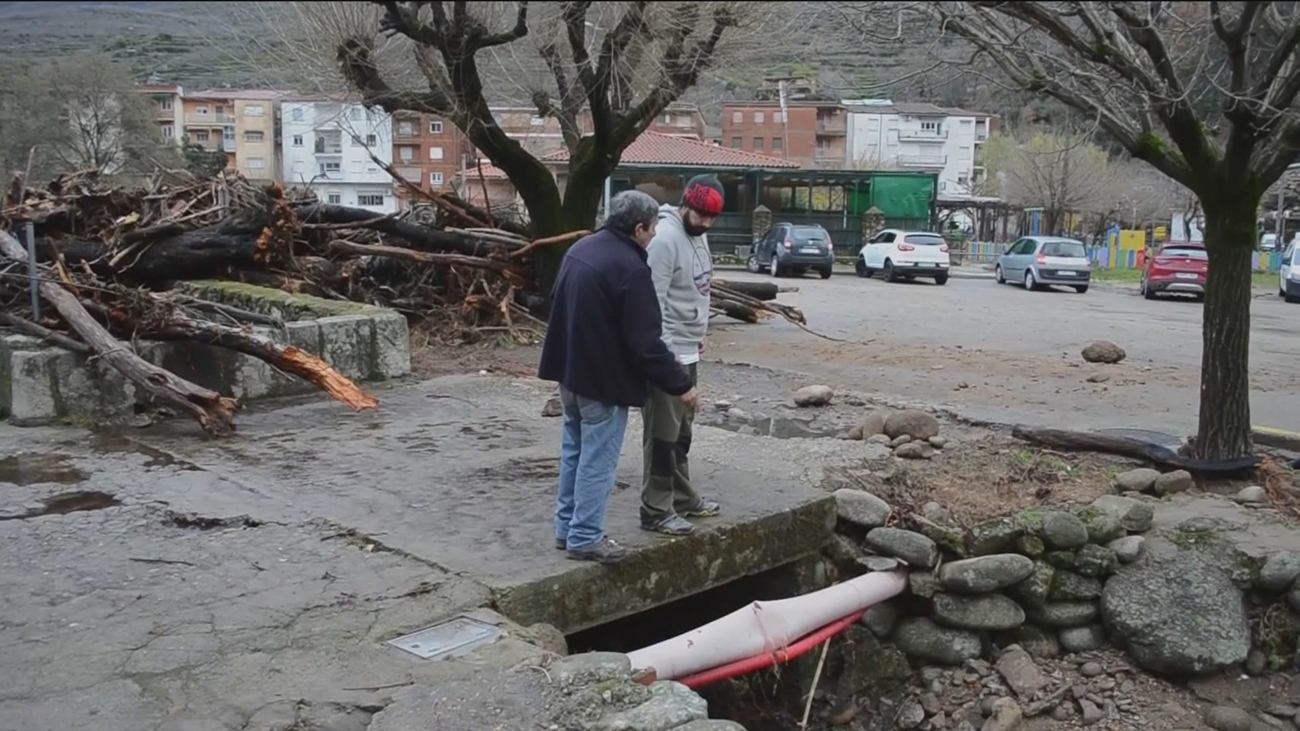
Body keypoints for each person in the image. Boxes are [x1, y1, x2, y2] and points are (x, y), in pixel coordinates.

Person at [538, 190, 699, 564]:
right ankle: (585, 536)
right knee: (598, 461)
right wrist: (681, 384)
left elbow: (555, 302)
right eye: (653, 227)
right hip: (603, 383)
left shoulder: (581, 249)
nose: (655, 234)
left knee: (574, 453)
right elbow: (647, 342)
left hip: (570, 374)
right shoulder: (630, 268)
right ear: (638, 228)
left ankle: (566, 528)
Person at [640, 174, 724, 536]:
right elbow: (653, 304)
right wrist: (667, 357)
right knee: (663, 435)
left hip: (689, 350)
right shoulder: (665, 240)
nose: (705, 223)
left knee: (681, 433)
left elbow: (696, 289)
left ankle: (682, 497)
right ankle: (655, 509)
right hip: (668, 355)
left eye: (712, 218)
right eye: (701, 215)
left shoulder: (699, 235)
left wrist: (698, 333)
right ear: (686, 204)